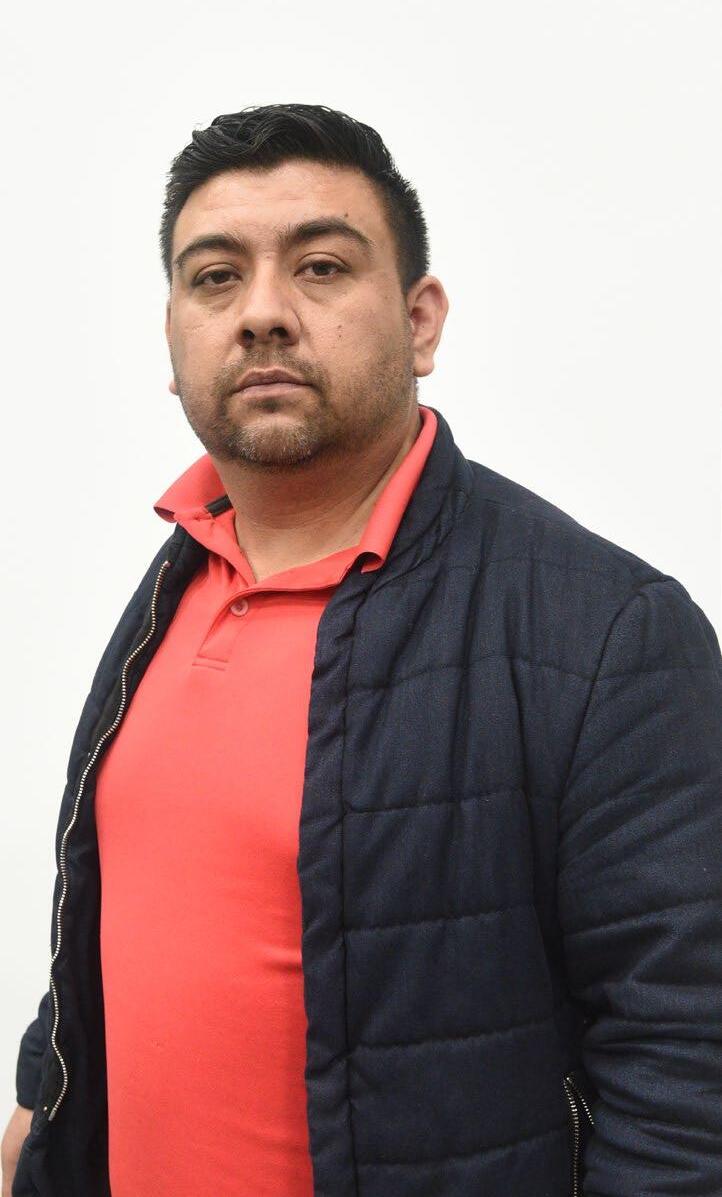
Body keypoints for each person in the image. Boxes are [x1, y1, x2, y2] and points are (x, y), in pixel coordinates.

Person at [2, 102, 721, 1197]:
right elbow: (113, 919)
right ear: (173, 340)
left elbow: (686, 1061)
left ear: (420, 321)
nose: (262, 313)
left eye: (322, 267)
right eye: (215, 278)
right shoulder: (172, 588)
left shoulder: (608, 632)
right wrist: (38, 1113)